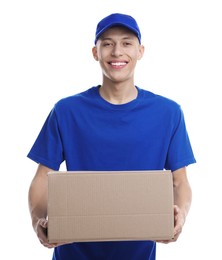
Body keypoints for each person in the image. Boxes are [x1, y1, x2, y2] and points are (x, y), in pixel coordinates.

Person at [28, 13, 196, 260]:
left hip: (138, 254)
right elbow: (43, 177)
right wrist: (38, 221)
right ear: (95, 53)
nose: (117, 52)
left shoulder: (168, 113)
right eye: (107, 43)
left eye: (127, 43)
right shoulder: (66, 111)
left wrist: (180, 214)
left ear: (140, 51)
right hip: (73, 253)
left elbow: (179, 181)